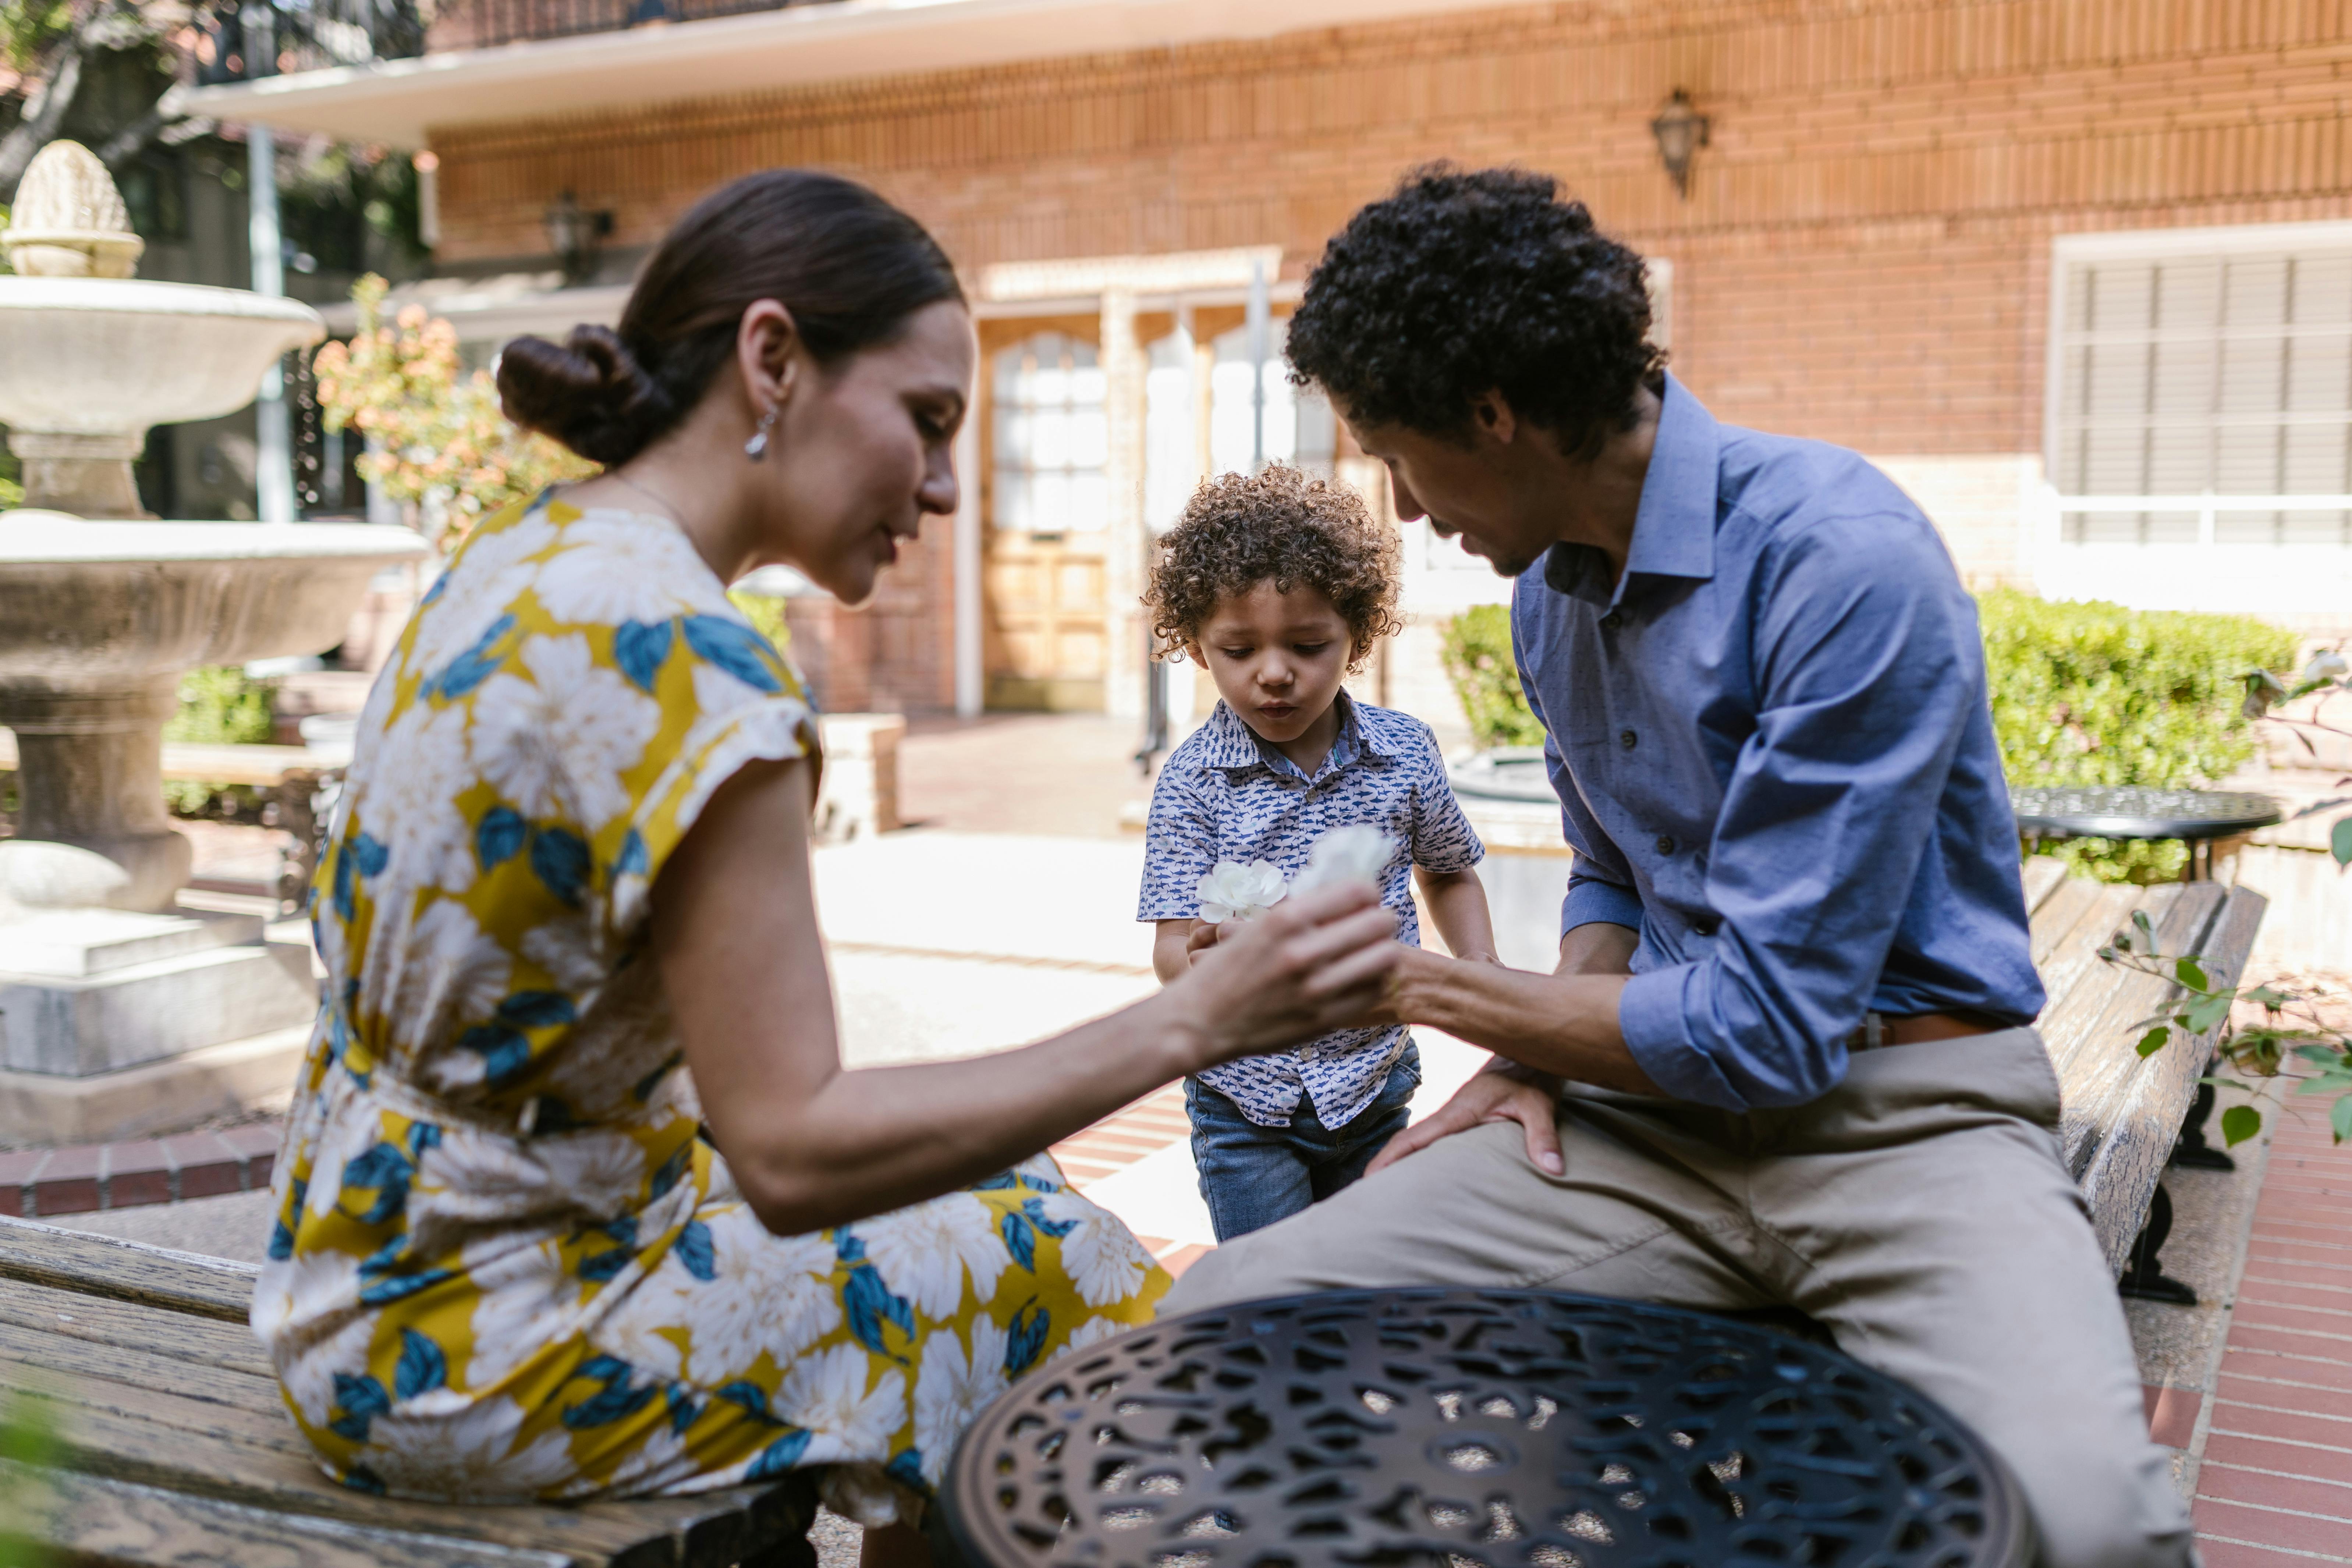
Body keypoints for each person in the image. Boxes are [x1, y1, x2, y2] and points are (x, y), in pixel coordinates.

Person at [249, 170, 1398, 1567]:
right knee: (1066, 1272)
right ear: (773, 361)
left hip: (353, 1273)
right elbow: (790, 1148)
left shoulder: (528, 554)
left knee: (1019, 1189)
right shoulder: (691, 662)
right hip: (482, 1349)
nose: (941, 485)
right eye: (925, 422)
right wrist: (1198, 1022)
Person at [1161, 166, 2193, 1568]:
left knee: (2088, 1529)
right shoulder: (1546, 598)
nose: (1399, 511)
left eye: (1398, 455)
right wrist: (1538, 1056)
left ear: (1494, 415)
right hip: (1645, 1129)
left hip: (1904, 1121)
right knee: (1220, 1314)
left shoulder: (1840, 560)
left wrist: (1404, 983)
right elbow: (1612, 877)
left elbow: (1767, 1030)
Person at [1136, 465, 1497, 1241]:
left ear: (1356, 636)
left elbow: (1448, 867)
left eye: (1307, 644)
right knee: (1269, 1295)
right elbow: (1170, 947)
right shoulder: (1192, 781)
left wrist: (1479, 968)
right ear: (1197, 648)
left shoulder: (1402, 753)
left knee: (1364, 1277)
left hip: (1372, 1083)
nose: (1273, 672)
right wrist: (1204, 963)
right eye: (1237, 648)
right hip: (1245, 1100)